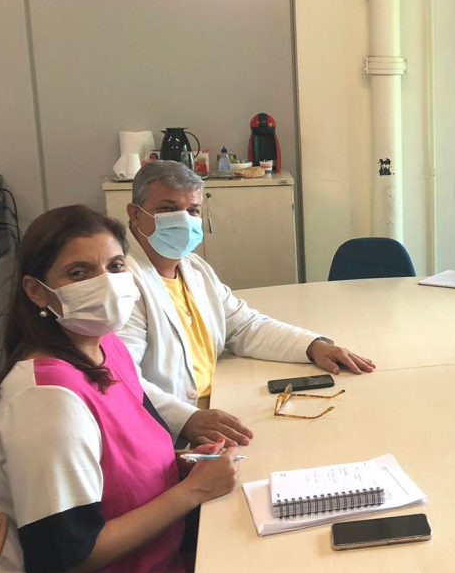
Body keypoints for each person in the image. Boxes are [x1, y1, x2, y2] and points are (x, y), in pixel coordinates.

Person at [0, 205, 240, 573]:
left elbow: (122, 458)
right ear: (36, 291)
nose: (105, 282)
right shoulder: (46, 399)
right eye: (79, 272)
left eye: (116, 266)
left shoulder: (107, 350)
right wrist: (193, 490)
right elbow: (70, 558)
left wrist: (183, 465)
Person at [120, 161, 375, 447]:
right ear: (135, 214)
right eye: (168, 209)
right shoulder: (122, 283)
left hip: (219, 404)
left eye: (192, 211)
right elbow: (121, 377)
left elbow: (245, 327)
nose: (183, 220)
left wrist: (313, 345)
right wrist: (186, 419)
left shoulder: (194, 268)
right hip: (170, 432)